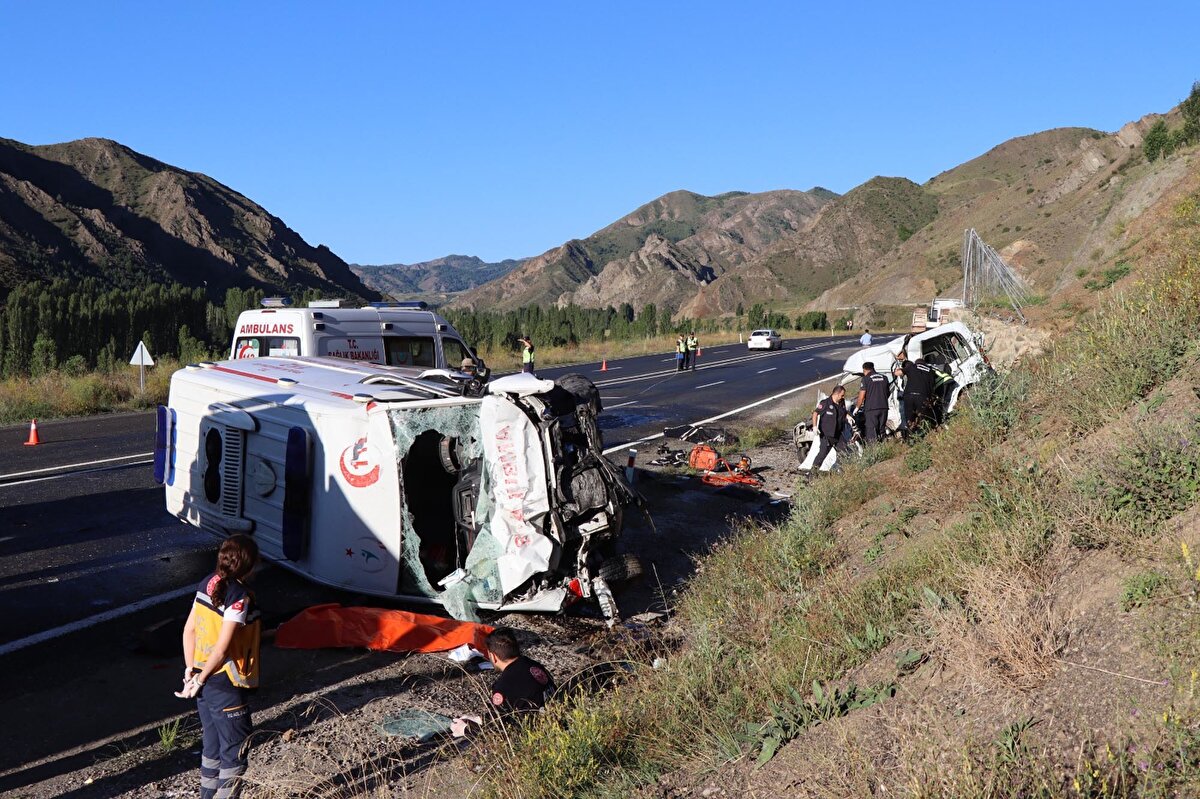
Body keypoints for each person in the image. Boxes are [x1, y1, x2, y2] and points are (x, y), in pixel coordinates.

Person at [180, 535, 261, 799]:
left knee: (212, 747)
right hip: (225, 683)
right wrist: (201, 678)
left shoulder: (207, 583)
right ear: (251, 565)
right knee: (235, 752)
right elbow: (222, 649)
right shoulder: (239, 597)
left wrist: (191, 671)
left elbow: (189, 630)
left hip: (203, 682)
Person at [450, 628, 556, 736]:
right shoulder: (533, 665)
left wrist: (465, 730)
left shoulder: (505, 685)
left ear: (493, 656)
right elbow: (501, 713)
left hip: (535, 735)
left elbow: (496, 729)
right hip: (553, 721)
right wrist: (478, 719)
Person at [803, 384, 848, 473]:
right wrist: (815, 426)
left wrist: (849, 417)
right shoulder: (825, 403)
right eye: (842, 395)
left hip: (838, 434)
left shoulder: (842, 402)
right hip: (826, 435)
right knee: (822, 455)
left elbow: (844, 412)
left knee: (844, 451)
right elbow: (815, 413)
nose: (843, 397)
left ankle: (838, 470)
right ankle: (812, 474)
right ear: (836, 394)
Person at [896, 348, 937, 433]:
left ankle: (911, 434)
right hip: (922, 396)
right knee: (923, 418)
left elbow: (898, 373)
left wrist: (898, 369)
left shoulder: (912, 366)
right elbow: (932, 386)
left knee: (909, 418)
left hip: (909, 396)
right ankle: (924, 434)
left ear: (916, 362)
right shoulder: (930, 370)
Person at [855, 361, 890, 443]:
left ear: (864, 370)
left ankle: (873, 449)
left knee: (871, 430)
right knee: (881, 429)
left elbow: (862, 395)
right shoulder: (884, 378)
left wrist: (857, 407)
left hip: (871, 409)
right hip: (884, 407)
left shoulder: (865, 379)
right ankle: (884, 445)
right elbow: (887, 393)